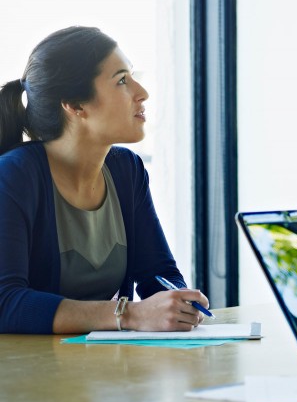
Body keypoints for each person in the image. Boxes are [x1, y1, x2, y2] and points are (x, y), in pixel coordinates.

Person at [0, 26, 210, 335]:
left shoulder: (127, 169)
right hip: (30, 375)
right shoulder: (14, 176)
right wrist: (129, 315)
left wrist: (176, 304)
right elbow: (6, 303)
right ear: (75, 105)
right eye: (122, 80)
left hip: (103, 371)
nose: (142, 92)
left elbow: (159, 274)